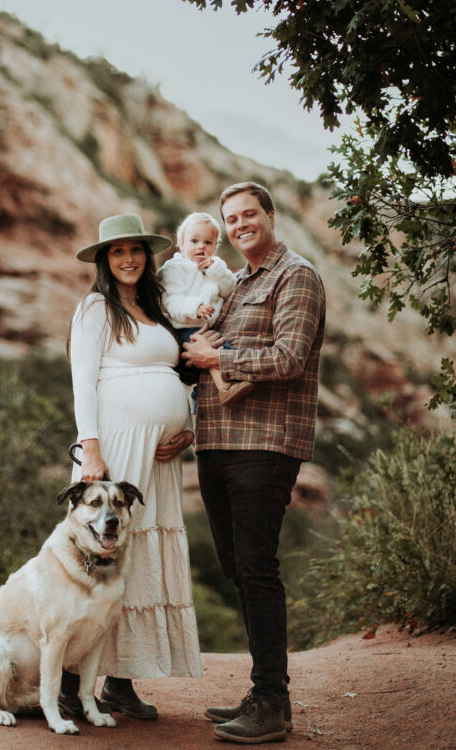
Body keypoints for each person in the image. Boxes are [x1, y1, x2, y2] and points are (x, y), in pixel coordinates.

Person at [183, 182, 325, 745]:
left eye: (248, 215)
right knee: (237, 566)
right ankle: (261, 690)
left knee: (257, 567)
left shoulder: (297, 276)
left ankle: (273, 702)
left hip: (265, 443)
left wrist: (218, 355)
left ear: (270, 216)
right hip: (217, 441)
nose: (240, 224)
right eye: (230, 218)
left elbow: (290, 357)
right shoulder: (236, 283)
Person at [61, 213, 202, 722]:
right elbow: (83, 381)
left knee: (140, 555)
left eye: (135, 250)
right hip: (116, 444)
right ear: (104, 259)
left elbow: (180, 375)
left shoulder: (155, 307)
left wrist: (185, 427)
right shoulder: (95, 307)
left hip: (160, 452)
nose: (128, 259)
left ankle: (120, 682)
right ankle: (71, 682)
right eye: (117, 251)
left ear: (147, 256)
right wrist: (90, 448)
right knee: (100, 553)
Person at [158, 211, 254, 406]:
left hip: (209, 327)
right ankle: (225, 386)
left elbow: (230, 289)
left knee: (220, 346)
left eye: (208, 242)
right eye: (194, 241)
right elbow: (172, 301)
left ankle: (200, 393)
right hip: (184, 327)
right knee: (210, 348)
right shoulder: (174, 269)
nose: (201, 246)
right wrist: (196, 307)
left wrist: (215, 269)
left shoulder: (214, 269)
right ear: (181, 244)